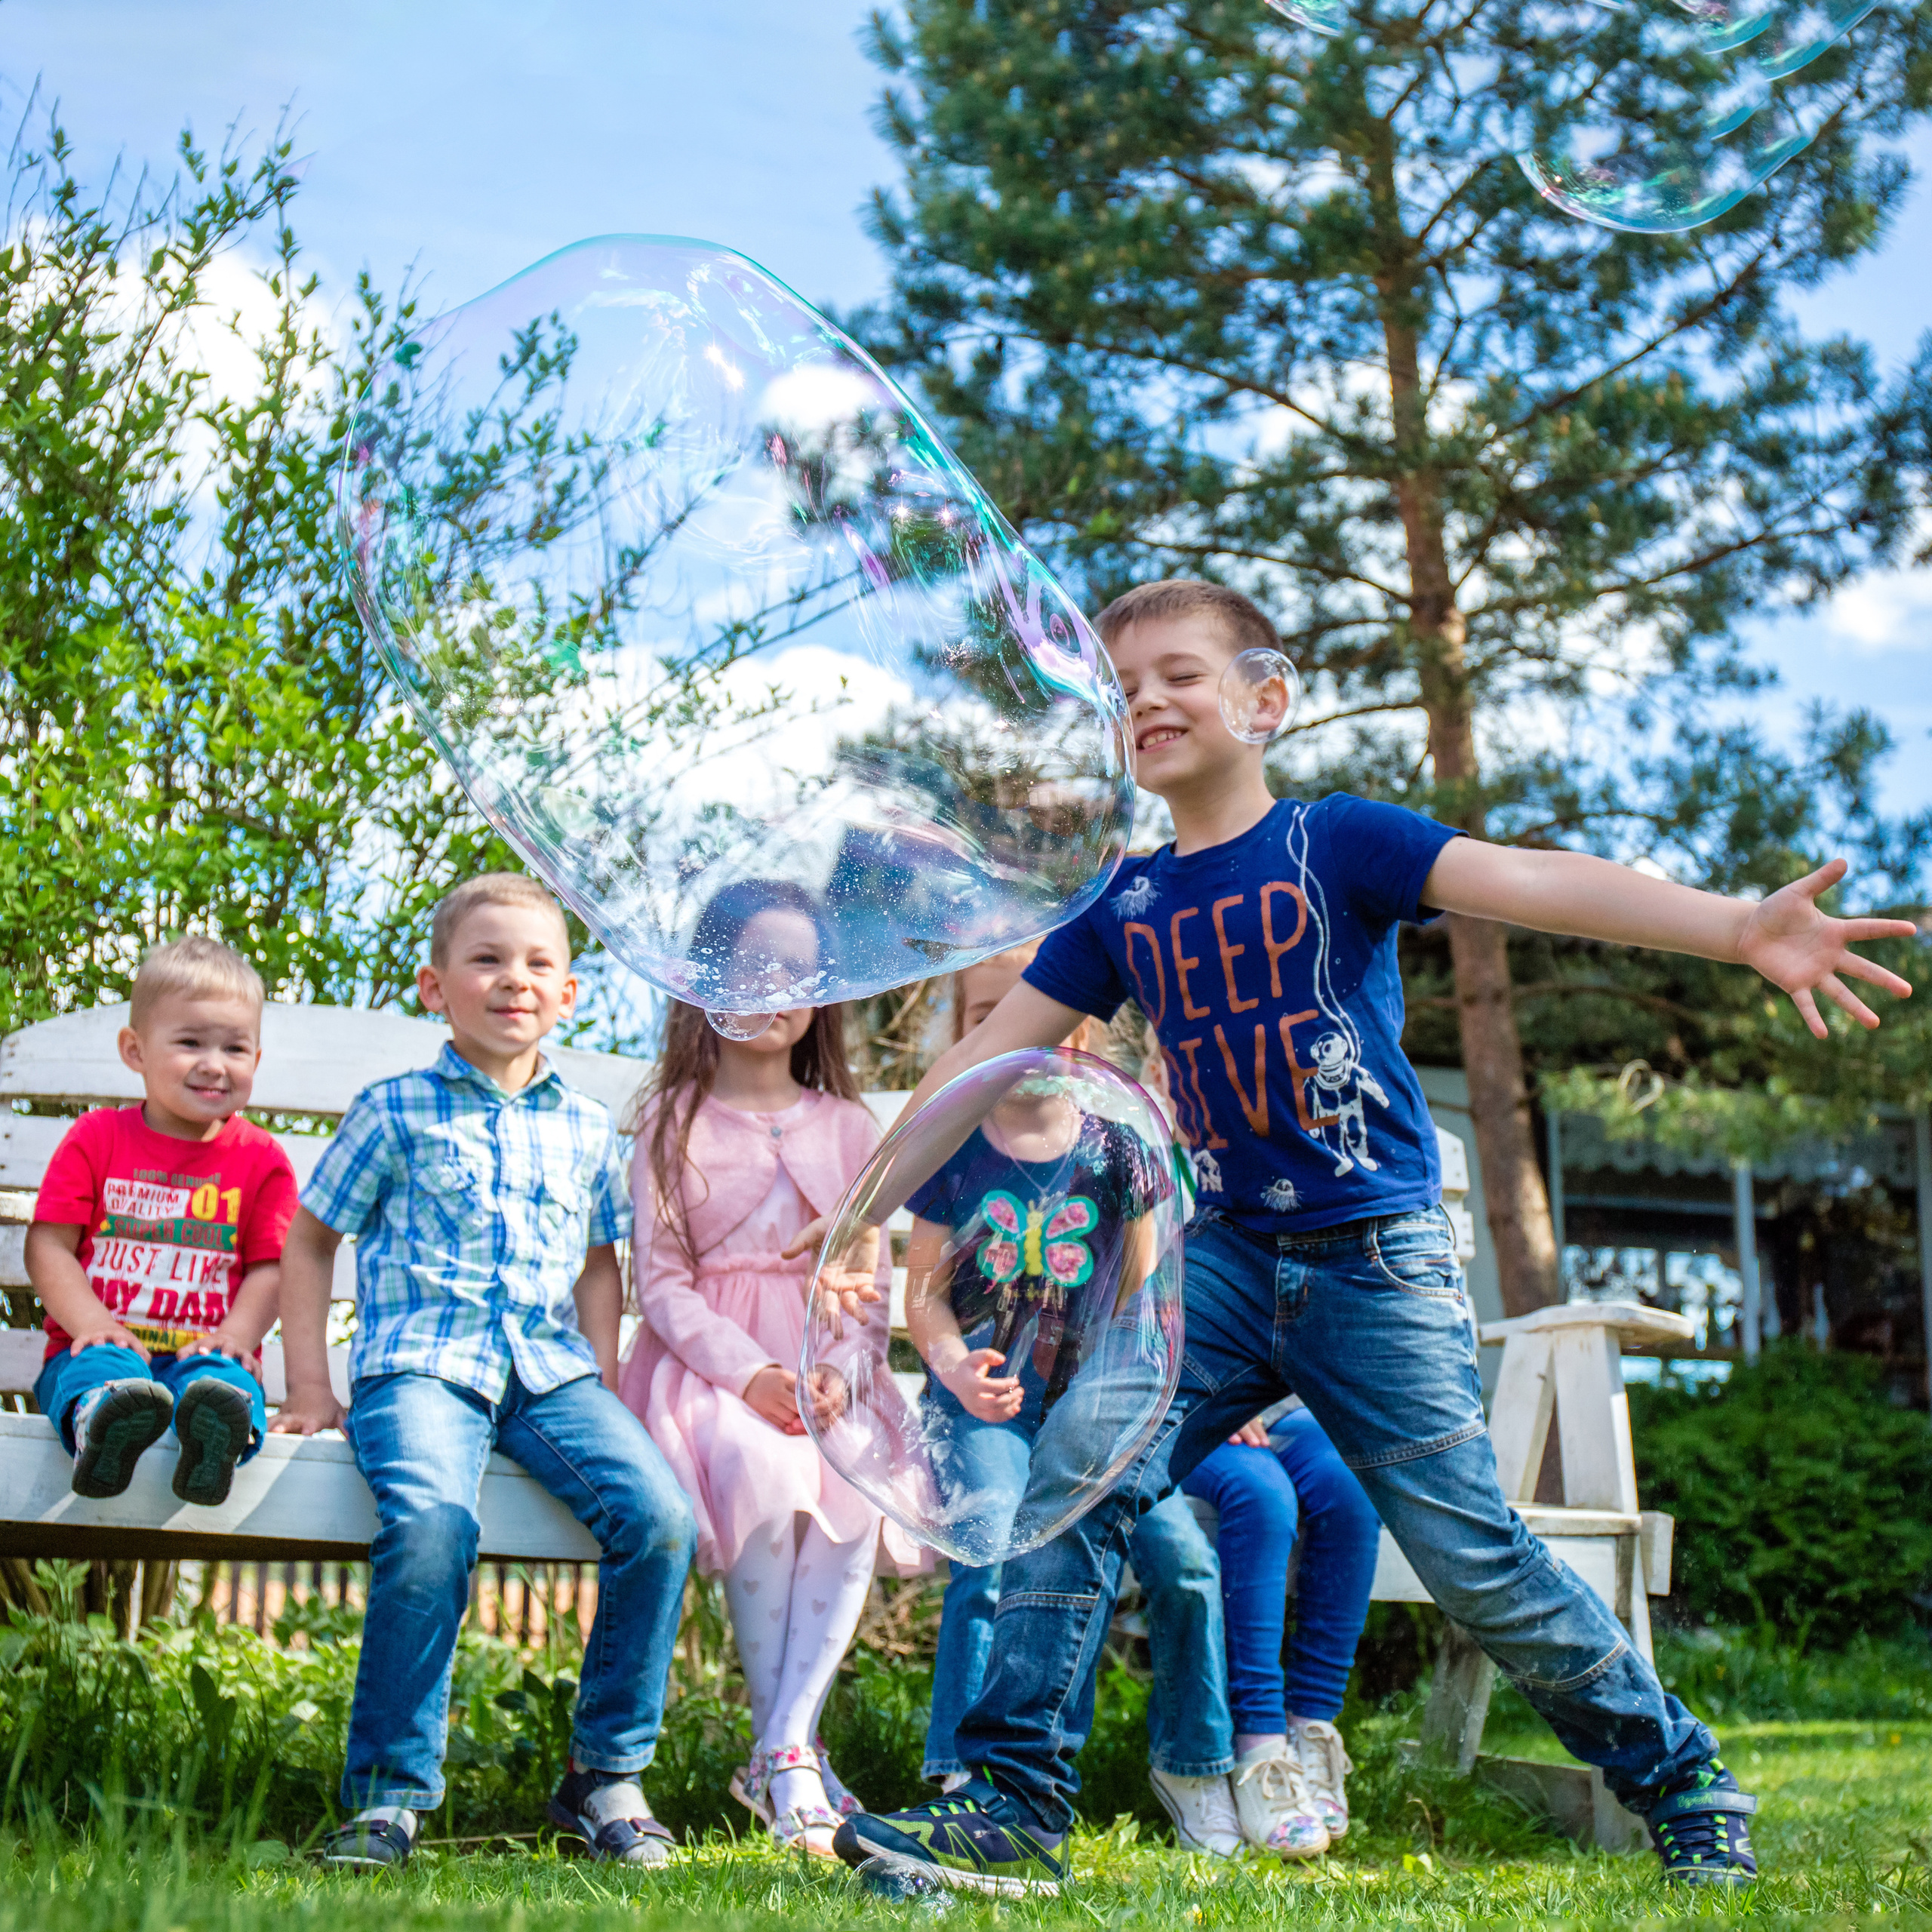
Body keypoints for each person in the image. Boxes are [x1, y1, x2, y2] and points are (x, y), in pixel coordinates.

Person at [817, 580, 1915, 1894]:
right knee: (1081, 1472)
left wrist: (1735, 927)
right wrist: (855, 1213)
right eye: (1124, 692)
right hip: (1222, 1267)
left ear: (1264, 702)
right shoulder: (1125, 905)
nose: (1148, 704)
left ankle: (1681, 1776)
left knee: (1471, 1554)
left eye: (1179, 674)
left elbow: (1529, 881)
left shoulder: (1337, 842)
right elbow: (978, 1072)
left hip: (1373, 1260)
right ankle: (1011, 1806)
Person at [274, 873, 697, 1872]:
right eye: (488, 960)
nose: (515, 980)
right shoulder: (394, 1109)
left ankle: (604, 1775)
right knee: (431, 1526)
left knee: (661, 1518)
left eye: (538, 963)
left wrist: (598, 1384)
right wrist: (306, 1385)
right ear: (435, 987)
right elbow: (309, 1237)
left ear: (570, 995)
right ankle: (387, 1797)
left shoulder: (590, 1127)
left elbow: (602, 1263)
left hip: (549, 1379)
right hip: (420, 1368)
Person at [916, 950, 1251, 1858]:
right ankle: (964, 1771)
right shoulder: (951, 1148)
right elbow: (922, 1296)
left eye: (1024, 1013)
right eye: (983, 1016)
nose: (1006, 1033)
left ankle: (1194, 1762)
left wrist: (1155, 1398)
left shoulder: (1122, 1150)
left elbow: (1149, 1303)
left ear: (1075, 1026)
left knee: (1183, 1561)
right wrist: (952, 1366)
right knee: (991, 1544)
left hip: (1099, 1415)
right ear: (965, 1035)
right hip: (986, 1411)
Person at [620, 881, 915, 1860]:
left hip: (825, 1364)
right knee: (762, 1468)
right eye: (748, 965)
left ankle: (784, 1744)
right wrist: (749, 1376)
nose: (771, 988)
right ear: (703, 980)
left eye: (796, 970)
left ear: (825, 993)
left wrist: (835, 1370)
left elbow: (865, 1281)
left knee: (852, 1474)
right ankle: (790, 1753)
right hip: (708, 1370)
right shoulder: (671, 1118)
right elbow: (661, 1285)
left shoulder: (851, 1126)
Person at [27, 936, 295, 1507]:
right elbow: (48, 1247)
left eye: (236, 1048)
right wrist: (92, 1322)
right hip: (98, 1346)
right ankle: (105, 1427)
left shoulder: (262, 1159)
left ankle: (215, 1442)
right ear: (135, 1050)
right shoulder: (97, 1138)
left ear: (256, 1060)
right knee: (98, 1372)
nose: (214, 1065)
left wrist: (238, 1336)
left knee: (227, 1384)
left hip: (204, 1353)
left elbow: (272, 1267)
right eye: (191, 1042)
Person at [1179, 1400, 1381, 1854]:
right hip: (1193, 1395)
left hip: (1288, 1399)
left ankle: (1312, 1730)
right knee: (1263, 1498)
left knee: (1352, 1487)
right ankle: (1259, 1745)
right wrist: (1223, 1394)